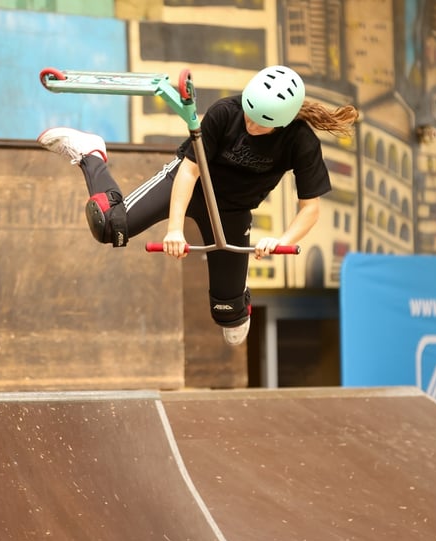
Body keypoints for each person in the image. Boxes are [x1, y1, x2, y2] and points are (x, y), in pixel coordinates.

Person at [37, 65, 358, 345]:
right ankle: (90, 153)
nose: (250, 125)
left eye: (260, 123)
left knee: (230, 321)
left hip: (232, 210)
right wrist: (175, 229)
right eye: (249, 112)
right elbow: (189, 171)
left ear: (283, 122)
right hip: (188, 183)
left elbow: (310, 208)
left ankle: (236, 293)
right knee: (110, 226)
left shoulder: (300, 141)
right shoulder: (225, 112)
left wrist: (282, 242)